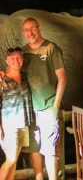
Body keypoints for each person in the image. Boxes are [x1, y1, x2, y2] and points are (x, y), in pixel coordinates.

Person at [21, 17, 67, 180]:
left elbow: (62, 78)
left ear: (39, 28)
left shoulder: (51, 48)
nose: (30, 33)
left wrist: (56, 104)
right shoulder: (23, 52)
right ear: (23, 33)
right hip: (29, 108)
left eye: (32, 28)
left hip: (48, 106)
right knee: (34, 148)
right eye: (26, 30)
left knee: (50, 149)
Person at [0, 47, 41, 180]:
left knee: (14, 161)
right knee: (10, 160)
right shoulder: (2, 80)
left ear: (22, 59)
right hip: (9, 126)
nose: (16, 61)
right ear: (6, 60)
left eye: (19, 58)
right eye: (12, 58)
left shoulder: (25, 78)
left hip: (24, 124)